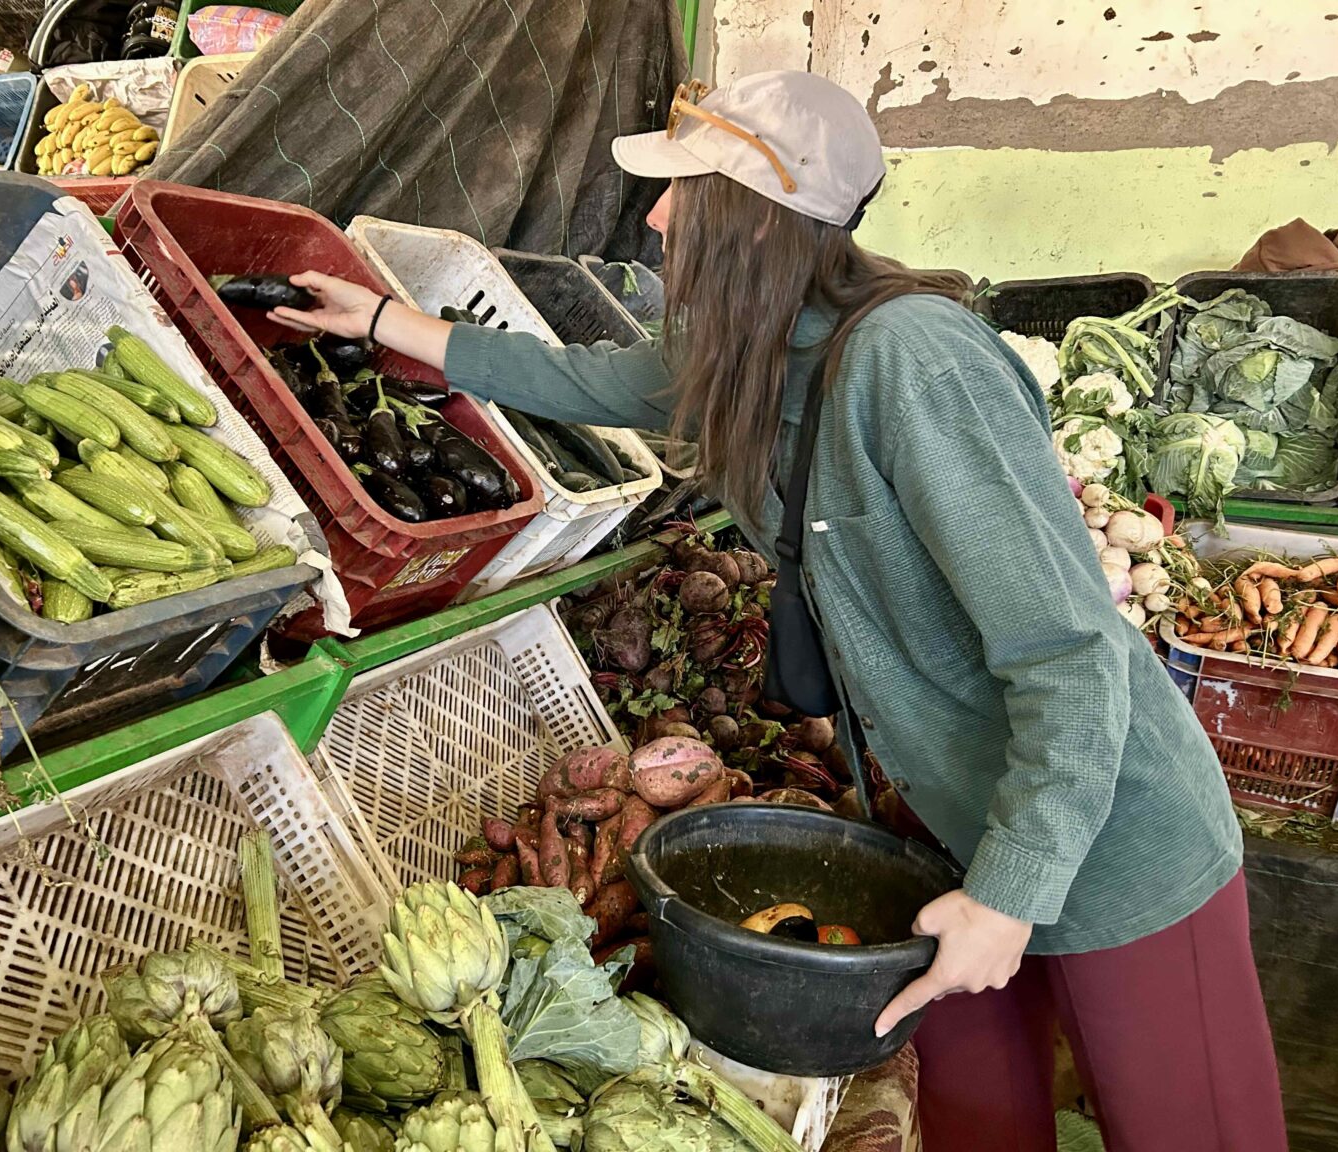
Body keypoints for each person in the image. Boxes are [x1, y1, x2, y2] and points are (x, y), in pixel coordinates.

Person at [273, 70, 1286, 1152]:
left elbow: (1071, 655)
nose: (657, 219)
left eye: (683, 193)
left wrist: (1014, 894)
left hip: (1113, 841)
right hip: (950, 828)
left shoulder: (913, 362)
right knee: (983, 1122)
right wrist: (388, 321)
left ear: (758, 220)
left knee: (1191, 1128)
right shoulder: (761, 353)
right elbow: (595, 381)